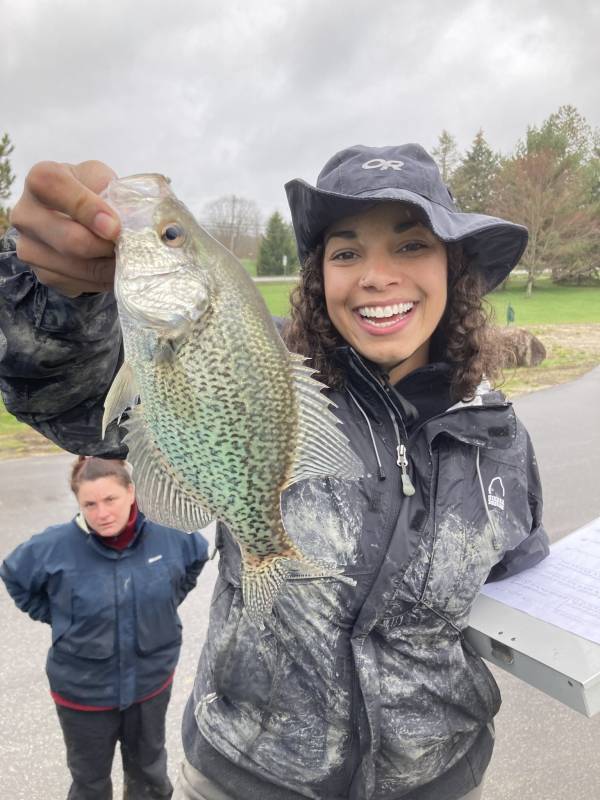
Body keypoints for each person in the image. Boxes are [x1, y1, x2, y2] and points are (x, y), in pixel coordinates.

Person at [0, 144, 550, 800]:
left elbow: (519, 584)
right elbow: (67, 389)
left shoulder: (499, 434)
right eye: (346, 252)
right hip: (246, 778)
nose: (376, 275)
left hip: (444, 779)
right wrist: (54, 299)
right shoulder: (263, 370)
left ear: (453, 268)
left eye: (411, 246)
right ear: (320, 275)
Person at [0, 456, 209, 800]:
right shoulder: (52, 547)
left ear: (131, 492)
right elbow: (14, 577)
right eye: (90, 504)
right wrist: (59, 618)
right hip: (83, 694)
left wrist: (165, 604)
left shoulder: (169, 535)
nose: (102, 513)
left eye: (110, 499)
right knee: (90, 783)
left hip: (149, 685)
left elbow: (196, 560)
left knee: (149, 774)